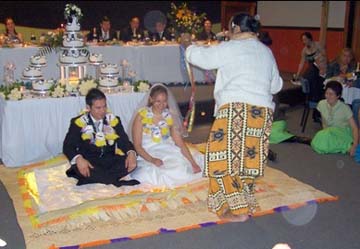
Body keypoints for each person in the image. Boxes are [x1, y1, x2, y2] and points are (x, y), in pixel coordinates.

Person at [185, 13, 283, 221]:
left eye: (230, 28)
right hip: (262, 113)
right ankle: (242, 204)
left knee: (220, 160)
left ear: (237, 28)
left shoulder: (231, 47)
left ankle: (236, 211)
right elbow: (276, 85)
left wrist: (188, 45)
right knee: (246, 162)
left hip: (236, 110)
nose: (228, 32)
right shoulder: (266, 52)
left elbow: (201, 58)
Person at [130, 83, 203, 187]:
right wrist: (152, 160)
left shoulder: (169, 116)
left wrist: (193, 163)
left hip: (167, 149)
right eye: (158, 101)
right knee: (148, 174)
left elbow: (180, 143)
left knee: (179, 168)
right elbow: (137, 145)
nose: (162, 104)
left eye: (164, 101)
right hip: (148, 152)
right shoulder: (141, 117)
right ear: (151, 99)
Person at [63, 88, 140, 187]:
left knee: (130, 163)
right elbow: (68, 146)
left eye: (104, 107)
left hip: (109, 161)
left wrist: (131, 152)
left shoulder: (114, 120)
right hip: (89, 162)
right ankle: (115, 181)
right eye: (98, 108)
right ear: (88, 107)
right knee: (82, 169)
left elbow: (124, 141)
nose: (103, 111)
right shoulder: (78, 122)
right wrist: (79, 159)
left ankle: (98, 179)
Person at [311, 81, 358, 156]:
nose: (328, 96)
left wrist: (355, 145)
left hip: (343, 133)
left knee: (321, 142)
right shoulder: (321, 104)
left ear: (338, 95)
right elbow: (324, 123)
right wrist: (326, 134)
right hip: (331, 132)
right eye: (326, 93)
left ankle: (348, 146)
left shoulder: (345, 108)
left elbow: (354, 128)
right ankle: (343, 146)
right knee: (319, 139)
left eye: (331, 94)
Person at [295, 32, 327, 121]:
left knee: (319, 85)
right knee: (307, 78)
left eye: (305, 39)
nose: (304, 42)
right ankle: (312, 100)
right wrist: (298, 73)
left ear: (310, 39)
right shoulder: (304, 50)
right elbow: (302, 62)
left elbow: (324, 56)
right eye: (302, 40)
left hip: (320, 68)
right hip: (312, 71)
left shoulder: (318, 46)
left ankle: (316, 105)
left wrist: (322, 67)